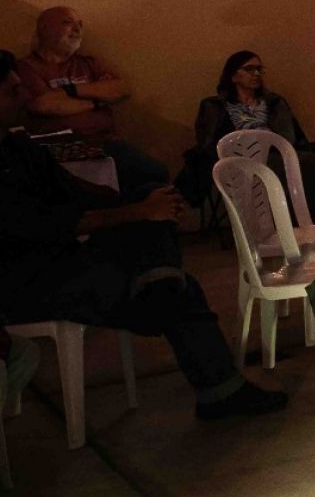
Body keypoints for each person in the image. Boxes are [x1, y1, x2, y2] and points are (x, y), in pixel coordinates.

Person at [0, 49, 286, 420]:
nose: (24, 97)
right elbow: (44, 224)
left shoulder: (16, 145)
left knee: (150, 198)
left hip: (62, 254)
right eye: (12, 91)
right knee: (180, 289)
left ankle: (163, 286)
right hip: (26, 280)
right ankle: (218, 391)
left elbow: (75, 192)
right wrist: (137, 212)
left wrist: (146, 202)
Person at [16, 6, 169, 191]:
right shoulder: (26, 67)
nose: (77, 29)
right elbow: (44, 105)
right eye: (67, 22)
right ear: (44, 28)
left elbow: (121, 89)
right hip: (59, 149)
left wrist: (69, 91)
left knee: (156, 174)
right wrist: (97, 99)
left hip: (106, 143)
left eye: (80, 24)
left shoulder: (89, 63)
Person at [179, 50, 315, 211]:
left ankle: (304, 221)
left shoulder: (274, 103)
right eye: (249, 69)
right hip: (235, 158)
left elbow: (289, 136)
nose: (256, 74)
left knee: (308, 163)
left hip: (272, 153)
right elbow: (207, 141)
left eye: (259, 69)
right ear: (233, 76)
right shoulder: (214, 106)